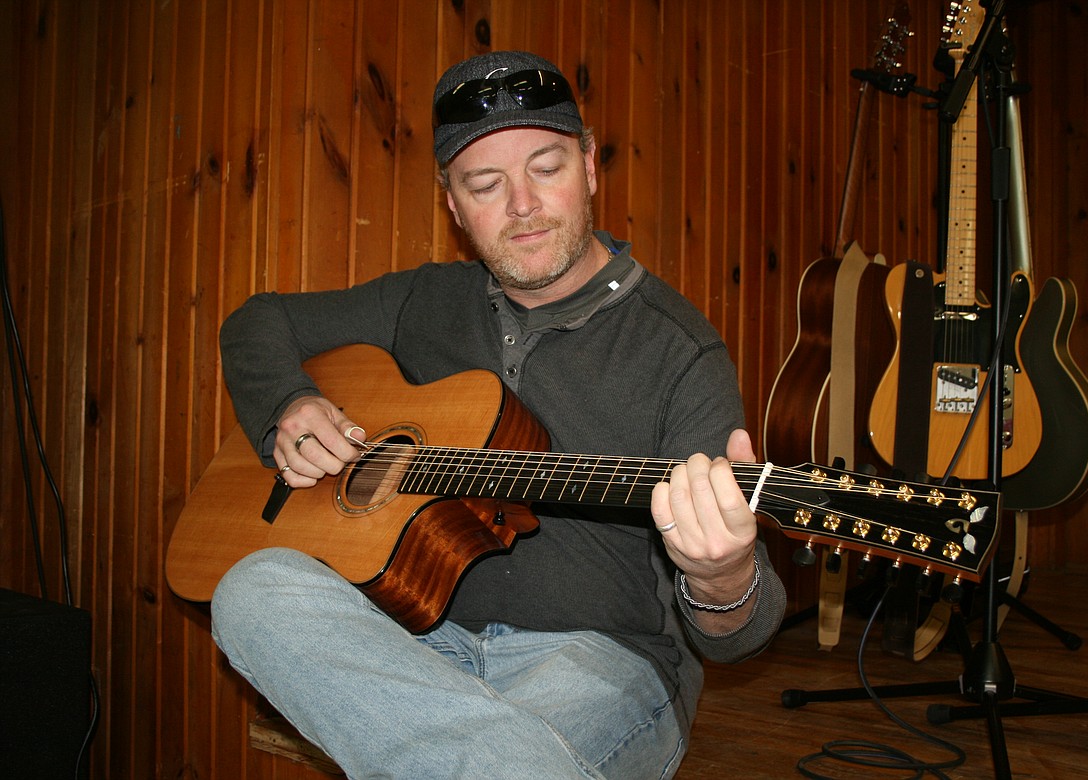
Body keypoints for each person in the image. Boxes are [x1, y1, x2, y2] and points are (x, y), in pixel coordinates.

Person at [210, 50, 785, 779]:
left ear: (590, 168)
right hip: (416, 643)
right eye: (486, 184)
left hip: (602, 661)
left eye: (546, 168)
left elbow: (739, 636)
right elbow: (257, 323)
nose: (521, 205)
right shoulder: (425, 300)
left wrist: (724, 575)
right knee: (251, 591)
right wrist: (287, 405)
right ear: (452, 204)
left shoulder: (681, 351)